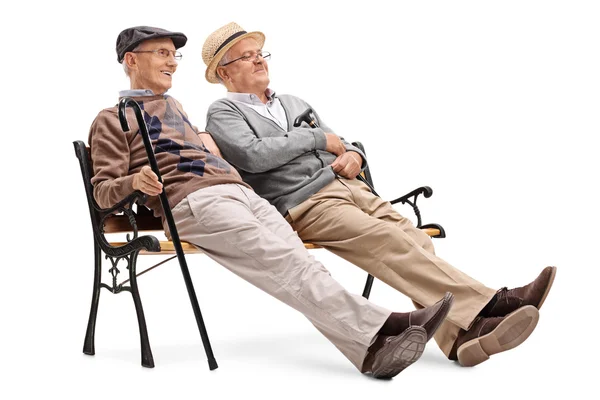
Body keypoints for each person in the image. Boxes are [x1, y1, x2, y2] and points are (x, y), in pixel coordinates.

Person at [88, 25, 455, 379]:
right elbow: (103, 190)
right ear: (131, 61)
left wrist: (202, 137)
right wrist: (135, 181)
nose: (172, 62)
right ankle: (385, 325)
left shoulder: (178, 108)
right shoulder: (111, 119)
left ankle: (370, 352)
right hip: (193, 203)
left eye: (174, 55)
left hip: (241, 192)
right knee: (283, 261)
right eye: (162, 54)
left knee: (299, 263)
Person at [202, 22, 556, 367]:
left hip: (351, 188)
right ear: (224, 72)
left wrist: (355, 154)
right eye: (246, 56)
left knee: (417, 240)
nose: (259, 60)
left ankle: (462, 339)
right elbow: (255, 155)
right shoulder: (224, 112)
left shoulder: (293, 102)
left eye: (260, 53)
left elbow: (339, 140)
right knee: (388, 240)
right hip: (305, 202)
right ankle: (491, 303)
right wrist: (315, 140)